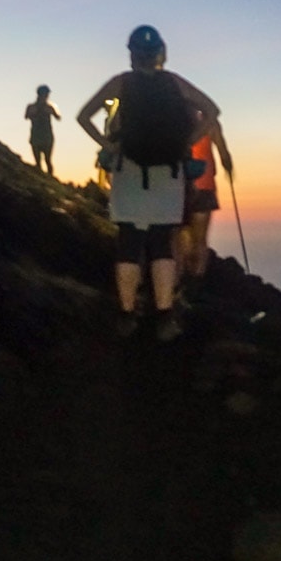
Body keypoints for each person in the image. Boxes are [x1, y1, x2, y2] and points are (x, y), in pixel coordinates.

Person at [77, 25, 221, 341]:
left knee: (129, 242)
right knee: (160, 244)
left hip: (128, 171)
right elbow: (212, 110)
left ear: (131, 54)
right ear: (160, 54)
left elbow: (83, 116)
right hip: (168, 173)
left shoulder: (121, 83)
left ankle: (127, 314)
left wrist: (108, 143)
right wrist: (188, 141)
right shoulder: (175, 83)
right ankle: (165, 316)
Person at [176, 117, 233, 300]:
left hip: (179, 186)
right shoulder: (209, 122)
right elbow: (223, 153)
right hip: (204, 185)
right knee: (200, 239)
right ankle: (196, 281)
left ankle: (180, 279)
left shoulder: (174, 116)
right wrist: (228, 168)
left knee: (180, 234)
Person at [24, 85, 61, 176]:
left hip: (47, 137)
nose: (47, 96)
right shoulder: (31, 106)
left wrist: (52, 112)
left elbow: (58, 117)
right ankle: (42, 180)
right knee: (38, 161)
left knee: (47, 160)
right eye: (46, 94)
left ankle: (50, 179)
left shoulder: (49, 107)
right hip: (36, 136)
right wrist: (34, 114)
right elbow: (26, 116)